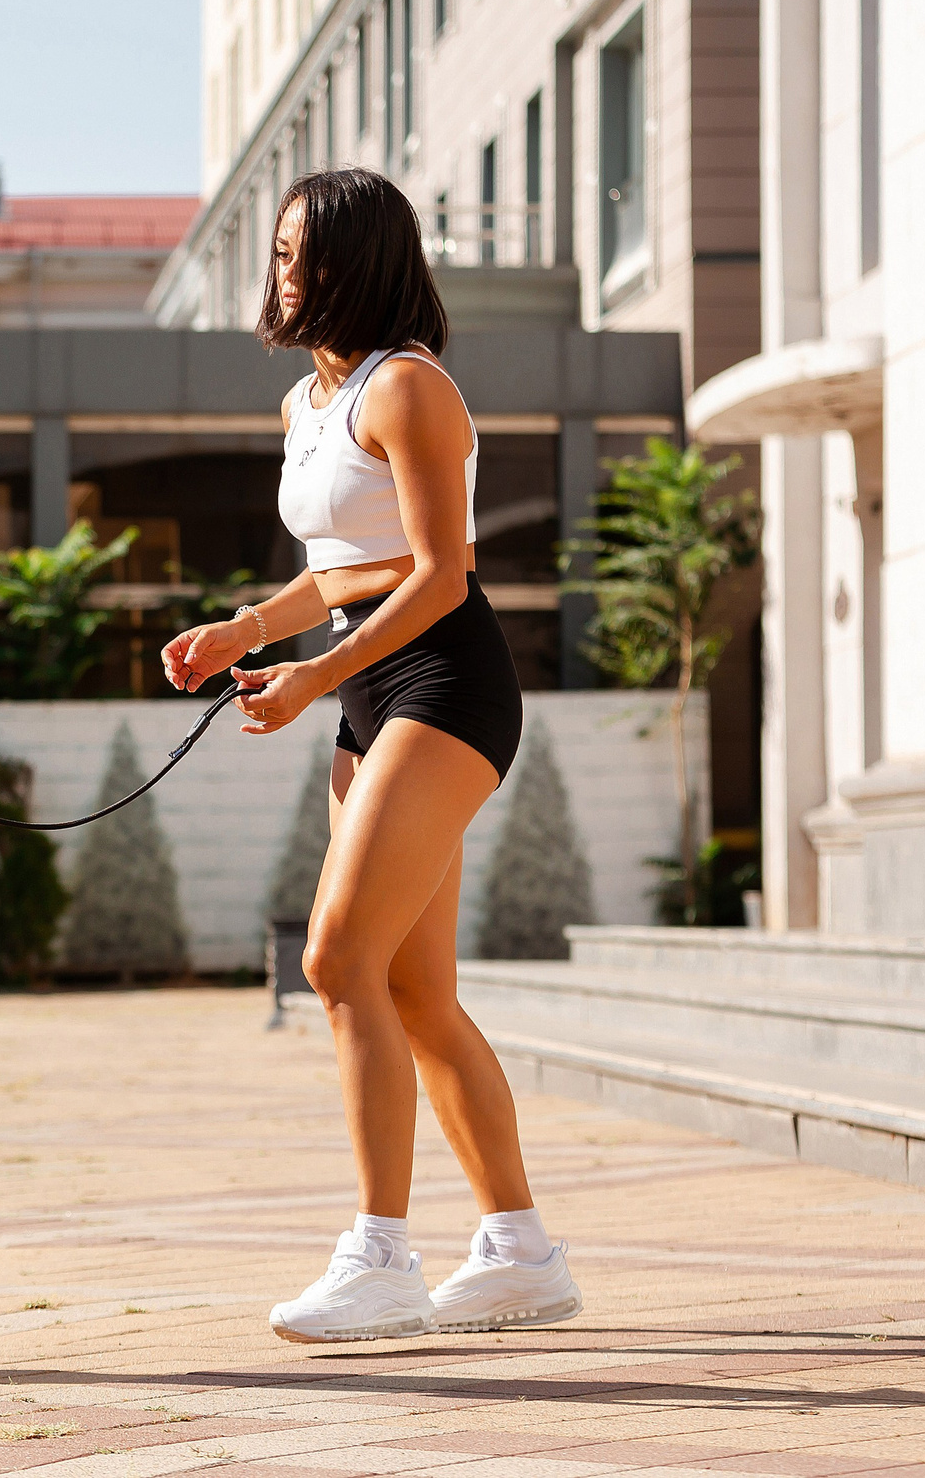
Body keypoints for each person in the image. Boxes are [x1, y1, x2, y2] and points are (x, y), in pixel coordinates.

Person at [161, 167, 581, 1343]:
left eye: (303, 253)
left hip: (445, 680)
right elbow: (342, 560)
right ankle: (521, 1250)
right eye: (279, 252)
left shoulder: (409, 390)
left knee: (339, 960)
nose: (284, 271)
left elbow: (439, 573)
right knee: (411, 987)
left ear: (360, 261)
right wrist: (247, 631)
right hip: (366, 684)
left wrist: (311, 677)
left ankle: (380, 1259)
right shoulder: (310, 403)